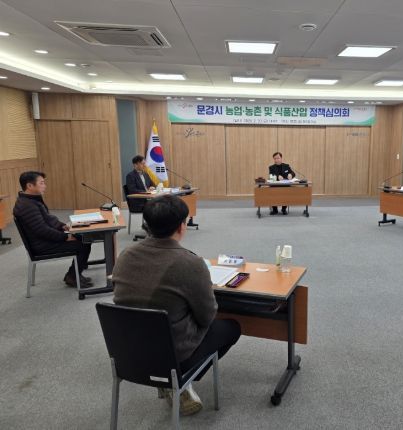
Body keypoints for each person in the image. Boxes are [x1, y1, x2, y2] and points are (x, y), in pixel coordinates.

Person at [112, 194, 241, 415]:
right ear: (182, 226)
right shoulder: (190, 263)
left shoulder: (125, 256)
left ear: (147, 225)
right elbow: (207, 317)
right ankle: (180, 381)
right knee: (231, 327)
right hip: (172, 355)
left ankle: (173, 382)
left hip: (129, 353)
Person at [13, 171, 93, 288]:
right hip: (42, 245)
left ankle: (75, 273)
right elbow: (42, 230)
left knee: (82, 237)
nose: (44, 186)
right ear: (29, 186)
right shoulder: (27, 205)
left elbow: (48, 219)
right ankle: (72, 276)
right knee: (83, 244)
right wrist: (65, 237)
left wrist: (62, 226)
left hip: (44, 240)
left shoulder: (31, 200)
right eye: (41, 183)